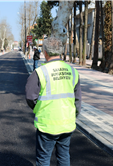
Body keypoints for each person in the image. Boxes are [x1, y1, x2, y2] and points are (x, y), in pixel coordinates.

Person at [25, 37, 81, 166]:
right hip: (67, 123)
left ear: (45, 52)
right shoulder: (73, 71)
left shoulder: (40, 72)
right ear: (61, 51)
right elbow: (77, 99)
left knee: (43, 158)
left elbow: (30, 97)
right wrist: (73, 115)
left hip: (47, 125)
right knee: (64, 156)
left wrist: (37, 108)